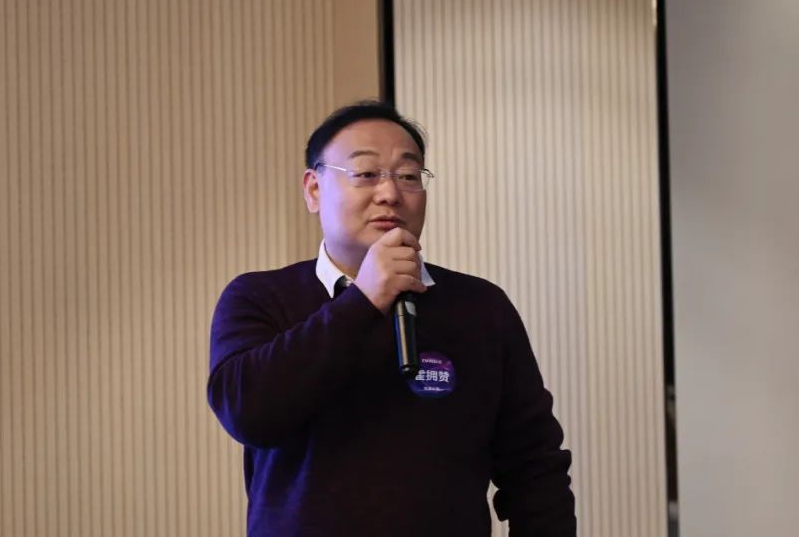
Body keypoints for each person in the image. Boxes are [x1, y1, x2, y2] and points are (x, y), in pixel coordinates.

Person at [208, 101, 576, 536]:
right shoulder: (259, 297)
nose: (390, 193)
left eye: (408, 176)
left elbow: (535, 468)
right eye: (365, 174)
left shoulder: (481, 307)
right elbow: (247, 412)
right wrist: (364, 300)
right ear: (313, 189)